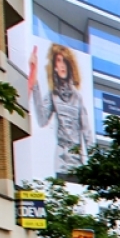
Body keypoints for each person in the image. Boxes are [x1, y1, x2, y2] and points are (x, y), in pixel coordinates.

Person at [29, 43, 94, 173]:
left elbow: (87, 132)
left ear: (70, 66)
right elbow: (42, 120)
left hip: (77, 160)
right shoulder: (53, 95)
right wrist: (34, 78)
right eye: (59, 61)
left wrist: (94, 164)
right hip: (61, 159)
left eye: (65, 61)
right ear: (54, 67)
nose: (62, 65)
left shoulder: (78, 98)